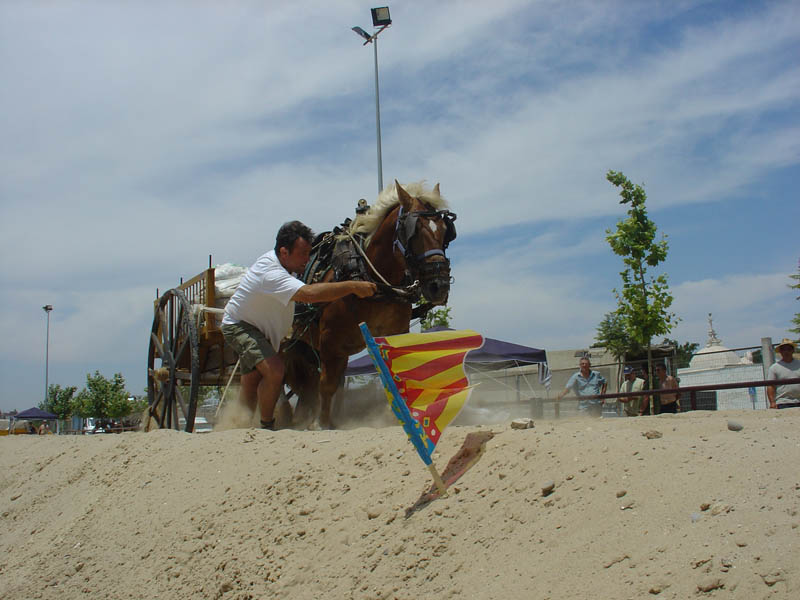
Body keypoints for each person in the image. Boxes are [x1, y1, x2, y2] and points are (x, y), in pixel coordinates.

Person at [221, 221, 377, 430]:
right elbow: (308, 294)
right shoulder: (271, 272)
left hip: (263, 329)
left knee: (252, 380)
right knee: (275, 371)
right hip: (241, 326)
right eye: (303, 253)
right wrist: (353, 286)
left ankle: (240, 426)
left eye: (308, 253)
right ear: (284, 252)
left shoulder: (283, 267)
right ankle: (267, 426)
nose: (307, 259)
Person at [767, 338, 800, 409]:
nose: (786, 351)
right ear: (780, 352)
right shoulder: (774, 368)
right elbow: (770, 386)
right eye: (783, 349)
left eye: (788, 349)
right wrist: (772, 402)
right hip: (783, 402)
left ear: (793, 350)